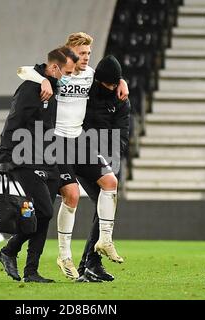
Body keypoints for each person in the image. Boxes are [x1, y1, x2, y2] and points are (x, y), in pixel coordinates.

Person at [17, 33, 129, 280]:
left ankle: (105, 240)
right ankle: (64, 256)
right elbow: (22, 70)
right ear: (69, 53)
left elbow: (109, 74)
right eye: (82, 53)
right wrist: (42, 80)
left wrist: (121, 80)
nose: (86, 57)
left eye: (89, 53)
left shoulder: (90, 75)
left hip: (79, 140)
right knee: (72, 195)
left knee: (110, 182)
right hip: (56, 141)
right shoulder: (56, 71)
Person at [0, 46, 78, 283]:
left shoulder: (49, 84)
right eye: (65, 71)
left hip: (48, 158)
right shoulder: (31, 88)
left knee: (43, 216)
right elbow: (13, 121)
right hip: (25, 159)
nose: (67, 76)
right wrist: (5, 157)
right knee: (44, 210)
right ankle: (9, 250)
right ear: (54, 68)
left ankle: (31, 271)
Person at [76, 55, 131, 282]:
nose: (111, 87)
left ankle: (88, 265)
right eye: (107, 83)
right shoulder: (85, 90)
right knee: (104, 205)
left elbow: (121, 135)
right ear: (98, 80)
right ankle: (90, 264)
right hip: (79, 154)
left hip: (105, 159)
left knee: (105, 206)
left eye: (114, 83)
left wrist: (109, 164)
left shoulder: (121, 98)